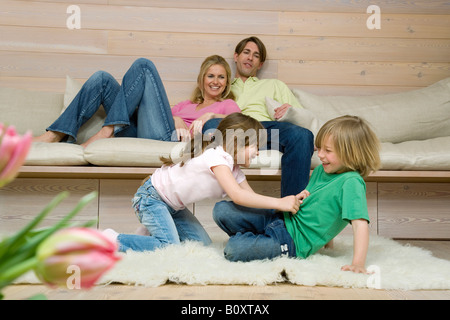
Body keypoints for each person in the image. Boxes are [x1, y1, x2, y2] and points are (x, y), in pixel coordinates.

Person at [104, 113, 301, 252]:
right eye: (255, 146)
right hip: (151, 199)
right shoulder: (216, 157)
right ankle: (111, 240)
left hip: (173, 207)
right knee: (168, 248)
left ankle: (148, 235)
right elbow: (238, 196)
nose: (259, 152)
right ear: (236, 142)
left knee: (202, 247)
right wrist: (279, 202)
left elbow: (251, 197)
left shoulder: (235, 169)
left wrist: (285, 203)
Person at [213, 115, 381, 273]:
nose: (320, 155)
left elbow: (360, 224)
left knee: (233, 250)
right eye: (320, 148)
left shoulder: (352, 182)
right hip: (282, 219)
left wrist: (358, 264)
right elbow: (322, 208)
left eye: (328, 150)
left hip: (293, 242)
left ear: (352, 153)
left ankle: (259, 240)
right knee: (221, 210)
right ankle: (260, 238)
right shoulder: (322, 170)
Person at [34, 55, 240, 146]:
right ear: (202, 79)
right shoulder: (185, 105)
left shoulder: (227, 105)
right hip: (142, 130)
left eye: (221, 77)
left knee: (143, 66)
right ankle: (56, 134)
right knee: (102, 79)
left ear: (227, 82)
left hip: (165, 139)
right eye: (211, 76)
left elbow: (241, 123)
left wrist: (211, 114)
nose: (215, 82)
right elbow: (158, 114)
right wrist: (175, 118)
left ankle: (107, 131)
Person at [202, 36, 315, 196]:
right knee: (212, 125)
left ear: (260, 64)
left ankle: (292, 211)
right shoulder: (222, 85)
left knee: (302, 135)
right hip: (236, 132)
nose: (250, 57)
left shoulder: (274, 85)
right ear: (236, 56)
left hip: (266, 131)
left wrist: (290, 109)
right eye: (246, 52)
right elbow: (200, 110)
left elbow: (303, 119)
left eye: (256, 55)